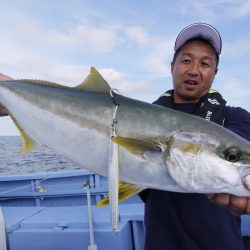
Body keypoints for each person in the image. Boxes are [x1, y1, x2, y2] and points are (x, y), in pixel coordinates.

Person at [139, 23, 250, 250]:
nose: (194, 70)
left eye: (205, 63)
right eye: (186, 60)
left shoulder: (235, 118)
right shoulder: (141, 119)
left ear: (214, 73)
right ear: (173, 67)